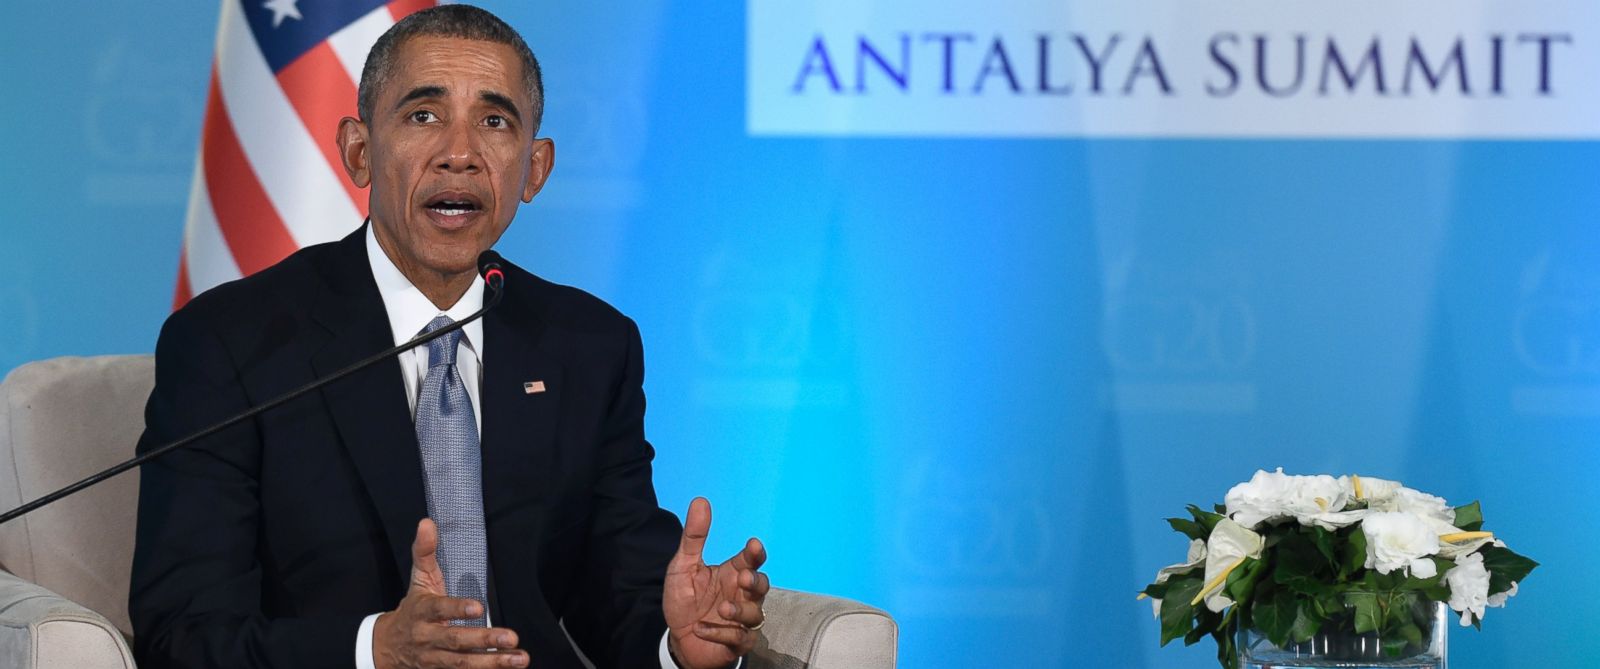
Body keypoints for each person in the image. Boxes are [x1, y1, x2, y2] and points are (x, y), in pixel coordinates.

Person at [129, 6, 768, 669]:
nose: (460, 153)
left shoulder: (590, 345)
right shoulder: (232, 343)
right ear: (358, 150)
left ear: (535, 169)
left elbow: (620, 588)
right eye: (423, 115)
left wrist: (679, 645)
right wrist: (375, 649)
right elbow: (183, 630)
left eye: (495, 122)